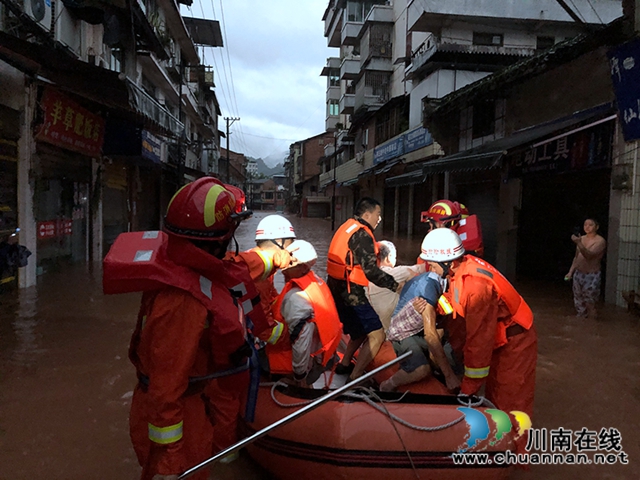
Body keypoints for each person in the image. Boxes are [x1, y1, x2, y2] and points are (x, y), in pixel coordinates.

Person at [105, 178, 258, 480]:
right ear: (218, 238)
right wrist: (169, 463)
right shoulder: (182, 301)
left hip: (188, 407)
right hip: (180, 421)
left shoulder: (182, 272)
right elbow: (165, 389)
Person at [421, 228, 537, 420]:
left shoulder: (476, 287)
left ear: (447, 262)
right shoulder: (460, 271)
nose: (431, 271)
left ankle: (517, 449)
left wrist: (467, 390)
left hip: (515, 342)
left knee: (510, 405)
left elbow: (479, 342)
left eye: (432, 266)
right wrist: (434, 308)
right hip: (501, 337)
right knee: (494, 395)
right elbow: (454, 302)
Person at [326, 197, 402, 380]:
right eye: (378, 214)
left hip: (336, 287)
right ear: (367, 214)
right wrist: (395, 285)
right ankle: (356, 377)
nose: (379, 219)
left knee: (359, 331)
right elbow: (371, 272)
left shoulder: (347, 226)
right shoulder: (363, 235)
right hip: (351, 291)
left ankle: (345, 365)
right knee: (377, 334)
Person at [379, 242, 460, 392]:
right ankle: (388, 385)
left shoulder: (449, 282)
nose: (433, 270)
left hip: (420, 331)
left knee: (454, 361)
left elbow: (441, 325)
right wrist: (449, 376)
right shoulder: (428, 286)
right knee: (421, 370)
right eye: (432, 266)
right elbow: (430, 335)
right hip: (402, 333)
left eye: (434, 266)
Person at [266, 240, 343, 384]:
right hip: (317, 358)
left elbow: (301, 341)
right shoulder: (315, 282)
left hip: (291, 367)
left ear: (302, 267)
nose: (283, 269)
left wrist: (300, 377)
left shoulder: (296, 298)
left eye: (289, 264)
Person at [366, 240, 424, 330]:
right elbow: (422, 268)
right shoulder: (394, 273)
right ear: (389, 257)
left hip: (370, 323)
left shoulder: (365, 275)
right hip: (387, 329)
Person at [565, 218, 606, 319]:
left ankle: (592, 326)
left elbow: (589, 256)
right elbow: (577, 257)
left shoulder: (600, 241)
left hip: (591, 275)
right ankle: (581, 325)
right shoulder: (582, 238)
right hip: (578, 274)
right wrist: (570, 272)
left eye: (590, 225)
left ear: (596, 227)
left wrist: (579, 243)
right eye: (585, 225)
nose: (587, 227)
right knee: (579, 302)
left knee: (590, 303)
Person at [419, 199, 484, 257]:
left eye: (430, 224)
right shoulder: (464, 243)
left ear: (440, 224)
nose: (429, 229)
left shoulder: (446, 247)